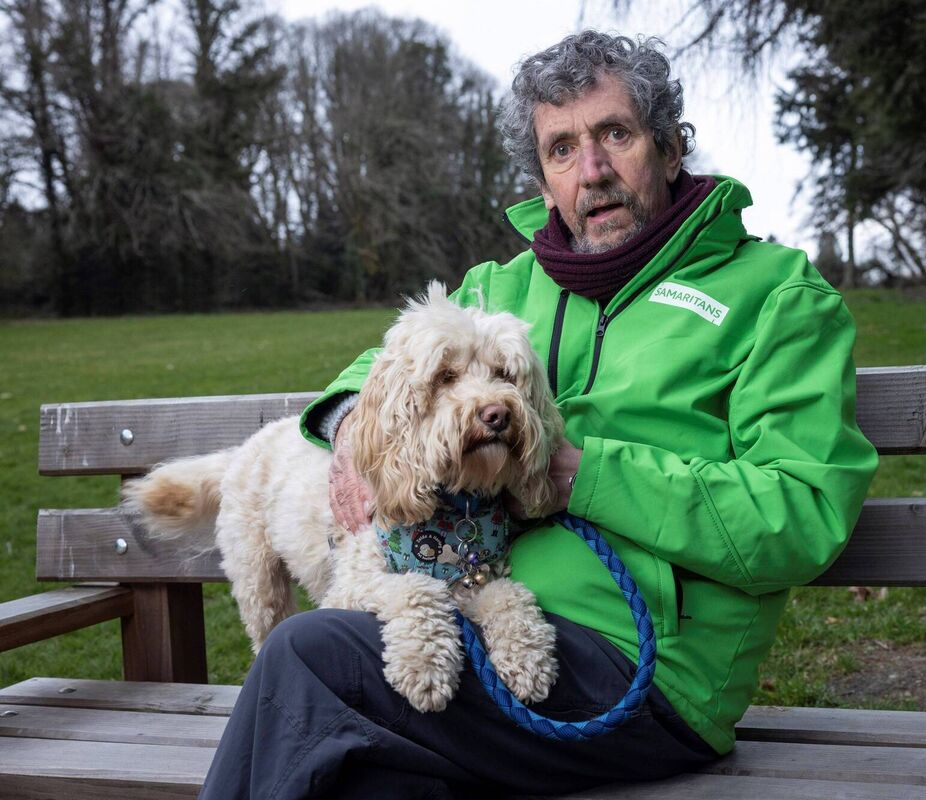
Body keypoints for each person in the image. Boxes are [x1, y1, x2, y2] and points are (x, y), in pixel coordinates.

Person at [199, 30, 878, 799]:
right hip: (480, 624)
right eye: (561, 149)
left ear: (668, 144)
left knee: (308, 659)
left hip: (641, 671)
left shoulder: (776, 296)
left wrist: (587, 478)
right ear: (544, 176)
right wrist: (358, 425)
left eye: (614, 134)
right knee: (363, 778)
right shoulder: (504, 285)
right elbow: (383, 368)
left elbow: (804, 513)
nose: (591, 171)